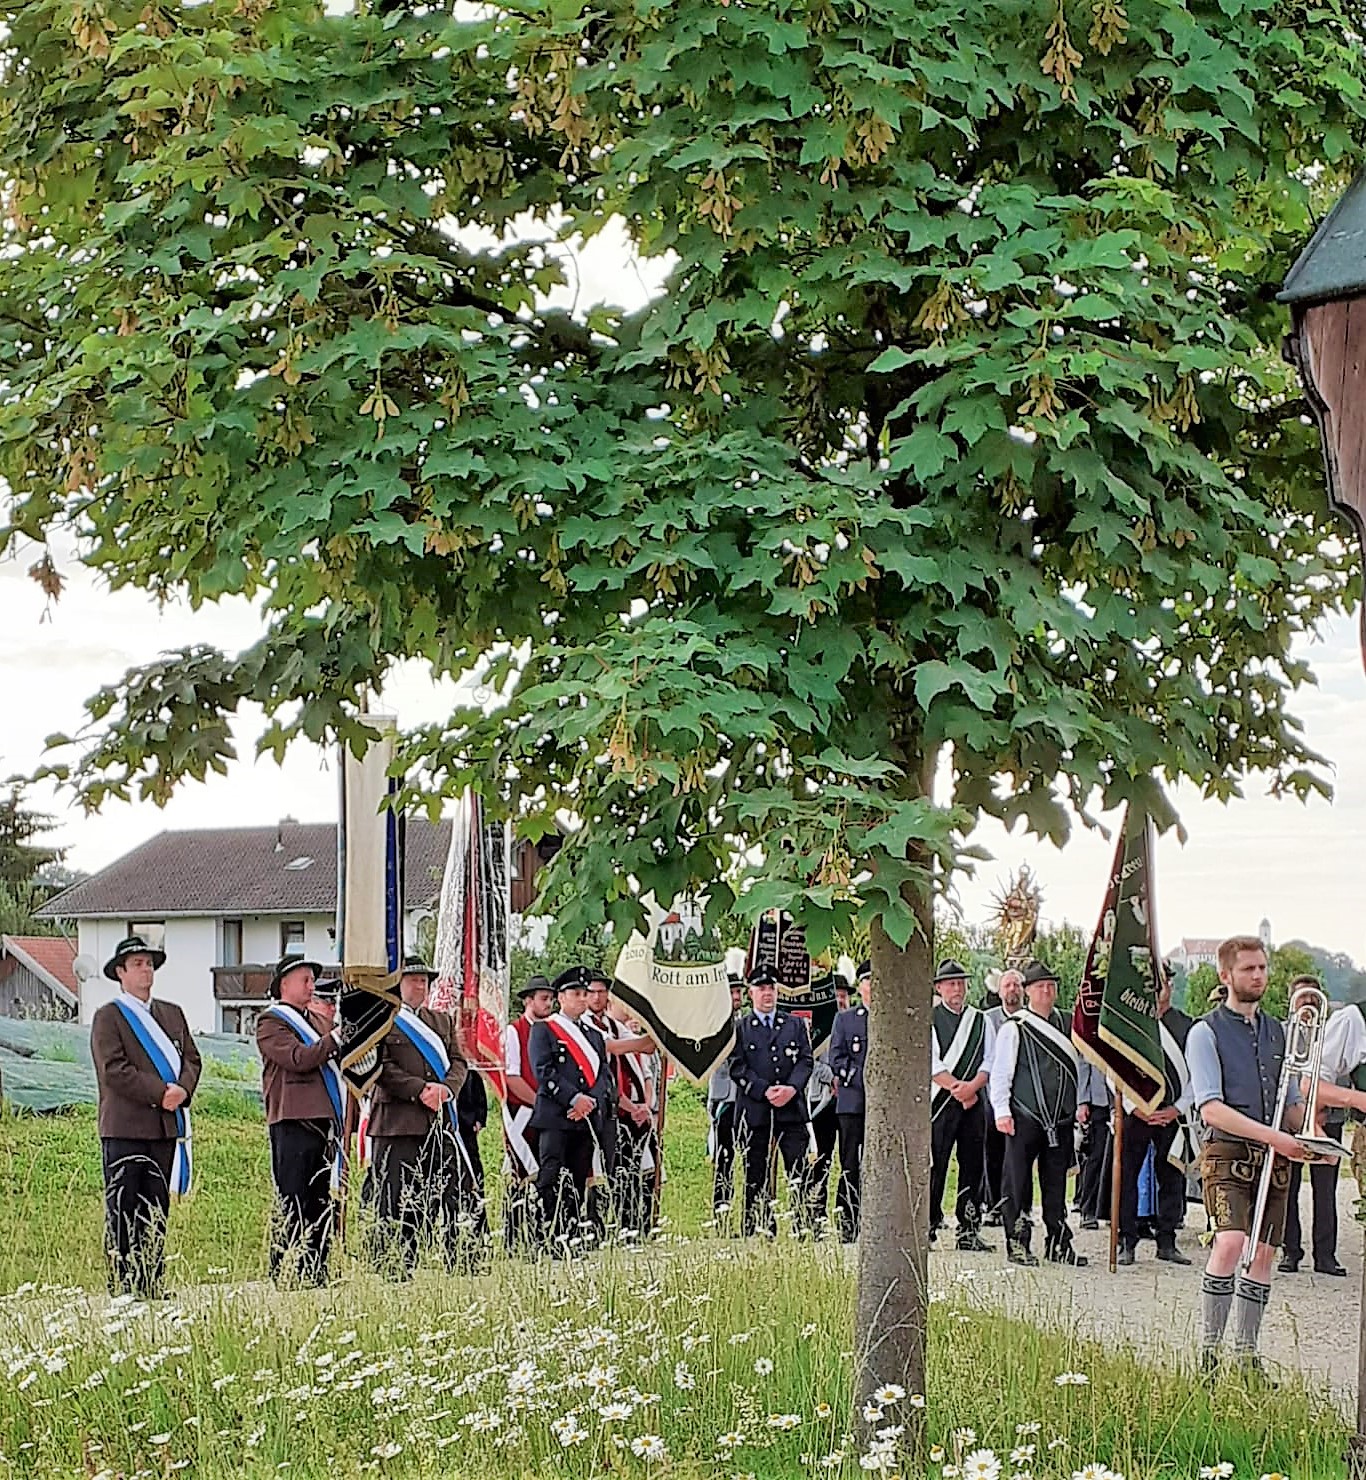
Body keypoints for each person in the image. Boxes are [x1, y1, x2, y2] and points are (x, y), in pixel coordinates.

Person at [1186, 935, 1310, 1373]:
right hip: (1227, 1151)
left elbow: (1291, 1102)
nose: (1258, 976)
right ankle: (1209, 1355)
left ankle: (1245, 1356)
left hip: (1274, 1158)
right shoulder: (1205, 1032)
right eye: (1248, 969)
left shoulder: (1279, 1031)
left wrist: (1312, 1135)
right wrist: (1274, 1137)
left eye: (1262, 967)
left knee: (1263, 1253)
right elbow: (1211, 1107)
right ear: (1226, 975)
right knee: (1230, 1242)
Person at [89, 935, 201, 1299]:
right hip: (125, 1127)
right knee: (123, 1206)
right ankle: (123, 1284)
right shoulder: (109, 1016)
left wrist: (183, 1089)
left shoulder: (172, 1014)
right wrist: (160, 1093)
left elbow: (191, 1059)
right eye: (137, 964)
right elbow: (114, 1070)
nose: (145, 970)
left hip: (163, 1128)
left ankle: (151, 1280)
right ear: (120, 972)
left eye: (149, 963)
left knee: (155, 1206)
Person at [367, 956, 473, 1276]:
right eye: (414, 979)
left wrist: (446, 1090)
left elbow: (458, 1062)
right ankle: (393, 1264)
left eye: (424, 980)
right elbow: (380, 1066)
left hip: (437, 1122)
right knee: (395, 1197)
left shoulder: (441, 1021)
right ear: (397, 984)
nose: (420, 985)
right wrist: (420, 1089)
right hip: (397, 1123)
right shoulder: (383, 1019)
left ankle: (448, 1257)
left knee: (442, 1192)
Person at [257, 954, 346, 1286]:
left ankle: (316, 1269)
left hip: (323, 1120)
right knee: (291, 1196)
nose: (311, 986)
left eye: (312, 980)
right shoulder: (271, 1023)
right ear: (284, 984)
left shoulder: (319, 1022)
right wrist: (335, 1039)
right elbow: (298, 1058)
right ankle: (283, 1269)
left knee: (320, 1198)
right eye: (305, 980)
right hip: (292, 1119)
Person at [990, 960, 1086, 1267]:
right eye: (1040, 986)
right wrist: (1001, 1110)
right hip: (1024, 1116)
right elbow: (1001, 1071)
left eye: (1051, 986)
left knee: (1056, 1184)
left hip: (1061, 1118)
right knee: (1017, 1182)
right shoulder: (1014, 1027)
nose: (1046, 991)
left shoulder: (1069, 1023)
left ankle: (1058, 1243)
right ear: (1028, 991)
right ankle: (1017, 1242)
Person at [530, 969, 615, 1253]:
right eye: (576, 994)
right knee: (551, 1176)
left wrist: (589, 1101)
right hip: (557, 1117)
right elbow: (544, 1071)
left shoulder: (594, 1036)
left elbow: (602, 1075)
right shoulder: (545, 1029)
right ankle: (548, 1236)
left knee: (578, 1178)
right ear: (561, 998)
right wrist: (573, 1099)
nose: (582, 999)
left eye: (584, 994)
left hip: (585, 1118)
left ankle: (573, 1235)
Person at [1115, 969, 1194, 1266]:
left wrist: (1178, 1108)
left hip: (1172, 1113)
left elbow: (1196, 1072)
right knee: (1127, 1176)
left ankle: (1167, 1240)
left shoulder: (1186, 1026)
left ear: (1170, 986)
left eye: (1164, 983)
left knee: (1172, 1177)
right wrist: (1134, 1107)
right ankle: (1126, 1239)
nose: (1159, 990)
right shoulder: (1129, 1023)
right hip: (1137, 1112)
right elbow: (1114, 1069)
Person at [727, 967, 815, 1236]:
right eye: (761, 989)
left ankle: (803, 1225)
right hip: (756, 1110)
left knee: (798, 1169)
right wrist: (763, 1090)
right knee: (757, 1171)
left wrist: (792, 1088)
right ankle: (758, 1227)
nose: (767, 994)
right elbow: (737, 1067)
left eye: (771, 989)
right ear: (751, 993)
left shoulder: (794, 1025)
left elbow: (805, 1060)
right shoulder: (740, 1028)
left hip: (791, 1109)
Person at [1284, 974, 1357, 1276]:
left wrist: (1323, 1109)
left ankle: (1325, 1256)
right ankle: (1290, 1252)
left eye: (1313, 997)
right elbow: (1284, 1076)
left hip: (1330, 1120)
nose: (1308, 1003)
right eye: (1302, 997)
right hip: (1292, 1121)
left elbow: (1342, 1074)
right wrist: (1303, 1112)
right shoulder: (1281, 1034)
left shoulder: (1334, 1030)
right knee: (1288, 1189)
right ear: (1292, 1002)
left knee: (1325, 1191)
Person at [929, 958, 994, 1252]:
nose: (957, 989)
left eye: (960, 983)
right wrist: (959, 1089)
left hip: (974, 1102)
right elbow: (931, 1062)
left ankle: (968, 1228)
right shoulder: (930, 1019)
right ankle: (928, 1226)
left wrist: (972, 1088)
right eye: (951, 984)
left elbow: (990, 1060)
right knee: (936, 1163)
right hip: (942, 1101)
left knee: (972, 1164)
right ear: (939, 988)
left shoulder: (981, 1020)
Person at [502, 975, 555, 1251]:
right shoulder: (515, 1031)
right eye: (543, 998)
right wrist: (540, 1103)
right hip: (522, 1112)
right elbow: (512, 1077)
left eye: (551, 999)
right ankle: (513, 1238)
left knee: (546, 1173)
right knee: (520, 1172)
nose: (548, 1004)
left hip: (547, 1114)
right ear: (528, 1001)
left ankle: (540, 1236)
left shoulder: (553, 1031)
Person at [828, 961, 870, 1242]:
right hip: (853, 1102)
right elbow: (837, 1058)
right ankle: (848, 1220)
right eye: (868, 981)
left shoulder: (890, 1019)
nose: (873, 987)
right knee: (850, 1164)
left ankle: (875, 1219)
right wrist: (862, 1079)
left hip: (883, 1108)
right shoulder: (846, 1019)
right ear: (861, 987)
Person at [982, 967, 1024, 1222]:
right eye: (1007, 985)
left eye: (1016, 985)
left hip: (1023, 1099)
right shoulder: (988, 1020)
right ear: (999, 991)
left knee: (1020, 1155)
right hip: (993, 1097)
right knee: (994, 1152)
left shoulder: (1031, 1019)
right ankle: (994, 1205)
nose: (1012, 990)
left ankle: (1022, 1207)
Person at [707, 975, 746, 1221]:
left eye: (739, 992)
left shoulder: (746, 1022)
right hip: (725, 1097)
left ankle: (752, 1214)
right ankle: (721, 1212)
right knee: (724, 1158)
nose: (736, 997)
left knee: (752, 1155)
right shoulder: (714, 1025)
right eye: (731, 993)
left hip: (747, 1097)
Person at [1074, 1060, 1112, 1230]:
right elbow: (1084, 1063)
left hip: (1125, 1099)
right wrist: (1082, 1100)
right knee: (1096, 1157)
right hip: (1099, 1100)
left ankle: (1112, 1210)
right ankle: (1088, 1210)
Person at [456, 1060, 491, 1242]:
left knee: (474, 1177)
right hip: (442, 1129)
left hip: (467, 1130)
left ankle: (479, 1230)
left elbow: (480, 1097)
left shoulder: (470, 1070)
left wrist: (479, 1119)